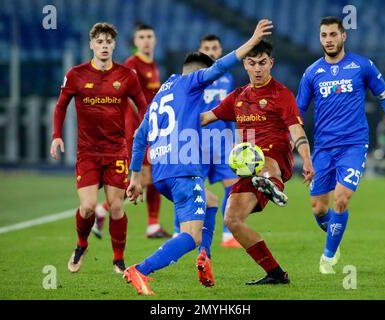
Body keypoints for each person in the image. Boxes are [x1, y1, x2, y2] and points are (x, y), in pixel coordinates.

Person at [125, 19, 275, 295]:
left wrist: (135, 178)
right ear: (197, 74)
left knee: (212, 200)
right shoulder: (192, 81)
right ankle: (140, 270)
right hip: (184, 169)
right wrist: (252, 42)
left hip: (161, 173)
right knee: (191, 235)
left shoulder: (161, 94)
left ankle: (205, 257)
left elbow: (138, 136)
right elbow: (221, 66)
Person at [296, 16, 385, 274]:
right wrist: (292, 145)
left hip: (353, 145)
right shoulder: (312, 72)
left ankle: (328, 257)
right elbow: (297, 112)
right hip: (323, 149)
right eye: (324, 35)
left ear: (343, 36)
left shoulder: (362, 66)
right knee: (319, 208)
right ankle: (334, 237)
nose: (328, 40)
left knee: (342, 198)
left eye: (332, 34)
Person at [201, 40, 314, 286]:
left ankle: (271, 183)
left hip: (276, 155)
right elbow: (207, 117)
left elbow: (296, 129)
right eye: (252, 63)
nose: (258, 69)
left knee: (264, 160)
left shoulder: (281, 94)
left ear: (271, 63)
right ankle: (275, 273)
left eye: (263, 63)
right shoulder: (238, 97)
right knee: (231, 219)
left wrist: (306, 158)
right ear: (245, 65)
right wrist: (172, 119)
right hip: (247, 168)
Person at [50, 22, 148, 274]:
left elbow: (144, 105)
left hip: (116, 151)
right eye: (100, 42)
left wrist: (146, 131)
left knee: (116, 207)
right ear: (91, 44)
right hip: (88, 152)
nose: (104, 47)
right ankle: (82, 245)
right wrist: (56, 135)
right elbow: (61, 106)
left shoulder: (127, 76)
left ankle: (118, 259)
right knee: (88, 207)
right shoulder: (76, 74)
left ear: (114, 45)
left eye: (108, 42)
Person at [92, 23, 171, 239]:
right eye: (141, 37)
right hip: (138, 130)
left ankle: (153, 224)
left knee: (155, 174)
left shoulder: (152, 64)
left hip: (152, 128)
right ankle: (102, 210)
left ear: (154, 40)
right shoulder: (132, 64)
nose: (146, 40)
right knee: (144, 177)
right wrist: (147, 120)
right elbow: (128, 96)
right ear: (135, 42)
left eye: (149, 36)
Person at [173, 34, 241, 248]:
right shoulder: (193, 77)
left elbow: (229, 110)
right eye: (207, 48)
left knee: (233, 186)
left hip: (221, 143)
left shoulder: (227, 78)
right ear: (201, 50)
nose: (211, 51)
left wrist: (234, 139)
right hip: (195, 143)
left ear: (220, 51)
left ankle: (228, 234)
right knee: (190, 187)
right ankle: (178, 231)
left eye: (214, 47)